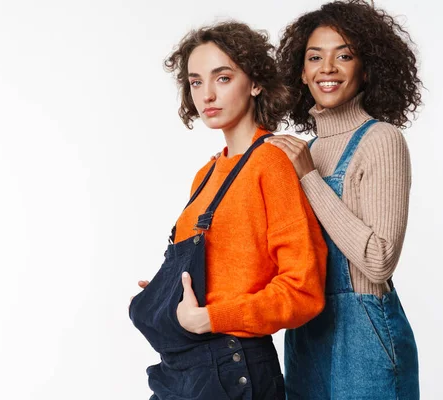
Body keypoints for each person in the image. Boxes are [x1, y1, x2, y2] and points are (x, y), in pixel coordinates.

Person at [128, 21, 327, 400]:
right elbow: (224, 266)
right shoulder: (206, 172)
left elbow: (303, 290)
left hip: (233, 367)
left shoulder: (272, 162)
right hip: (180, 367)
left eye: (222, 78)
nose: (207, 95)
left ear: (254, 83)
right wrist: (167, 289)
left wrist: (212, 317)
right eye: (196, 82)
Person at [266, 1, 422, 398]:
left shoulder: (381, 140)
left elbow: (379, 261)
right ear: (301, 73)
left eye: (345, 55)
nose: (328, 68)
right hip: (306, 333)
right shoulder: (307, 150)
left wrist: (309, 178)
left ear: (366, 69)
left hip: (365, 334)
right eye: (315, 57)